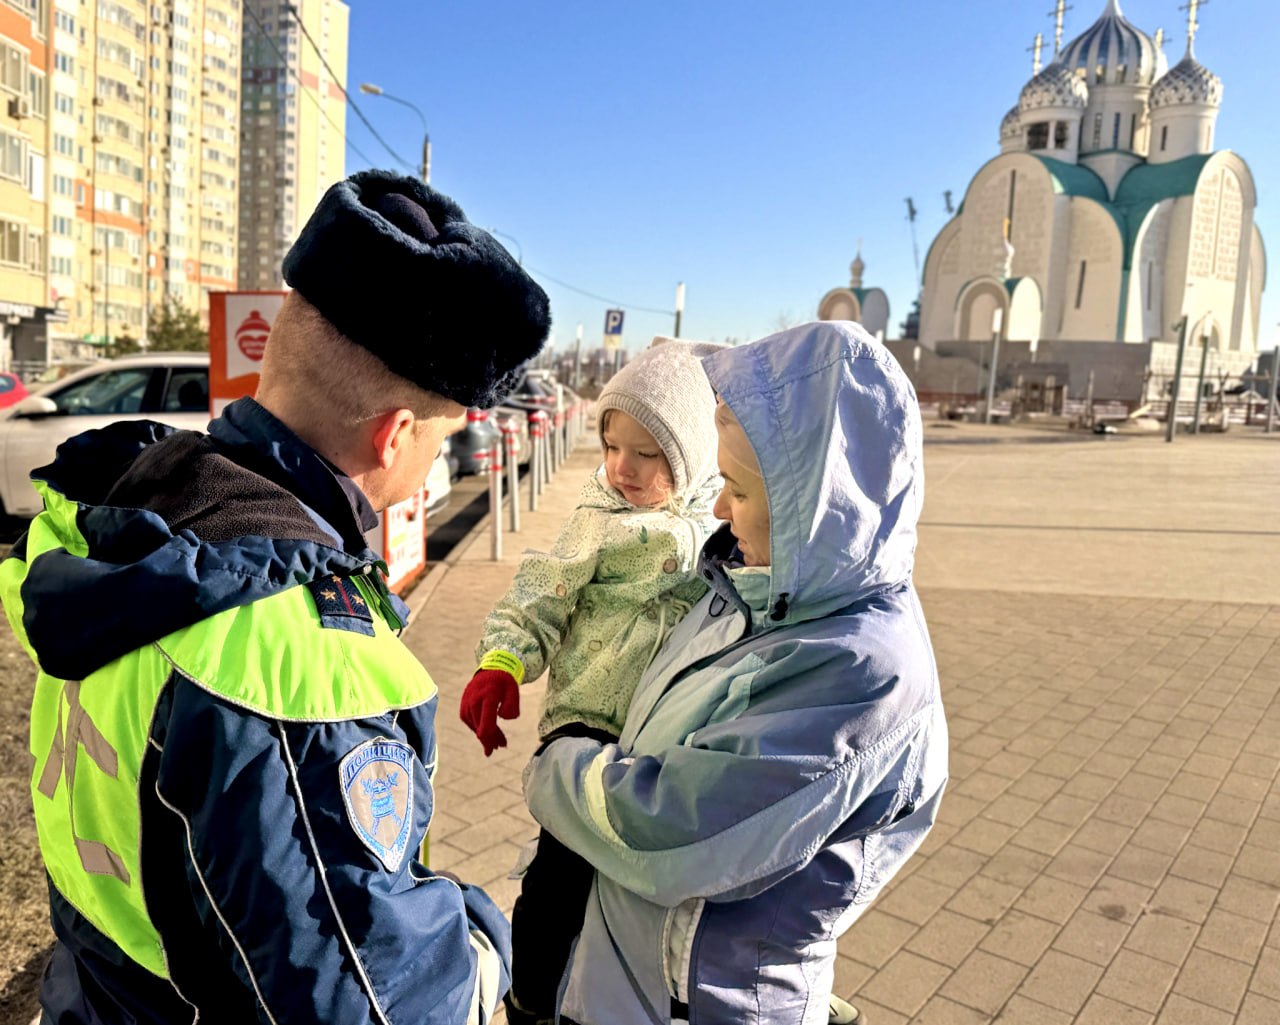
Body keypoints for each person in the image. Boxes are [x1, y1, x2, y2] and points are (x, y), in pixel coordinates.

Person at [0, 171, 550, 1024]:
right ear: (395, 433)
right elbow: (376, 998)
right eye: (446, 435)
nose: (437, 462)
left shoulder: (134, 519)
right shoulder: (301, 657)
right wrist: (480, 941)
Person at [523, 321, 949, 1025]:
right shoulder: (757, 588)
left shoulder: (860, 670)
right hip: (632, 988)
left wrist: (555, 764)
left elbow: (672, 830)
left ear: (815, 511)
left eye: (738, 490)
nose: (717, 509)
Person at [458, 339, 723, 1025]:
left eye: (646, 454)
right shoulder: (600, 520)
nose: (620, 468)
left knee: (646, 887)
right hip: (590, 723)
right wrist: (503, 660)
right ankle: (532, 996)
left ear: (691, 458)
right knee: (560, 876)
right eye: (611, 446)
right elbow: (541, 590)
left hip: (668, 733)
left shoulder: (715, 528)